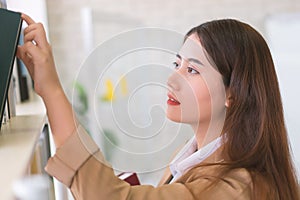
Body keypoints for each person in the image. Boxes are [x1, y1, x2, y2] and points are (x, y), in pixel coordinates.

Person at [17, 13, 299, 199]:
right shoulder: (189, 157)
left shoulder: (235, 188)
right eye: (177, 64)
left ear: (233, 94)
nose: (172, 80)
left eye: (193, 70)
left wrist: (50, 89)